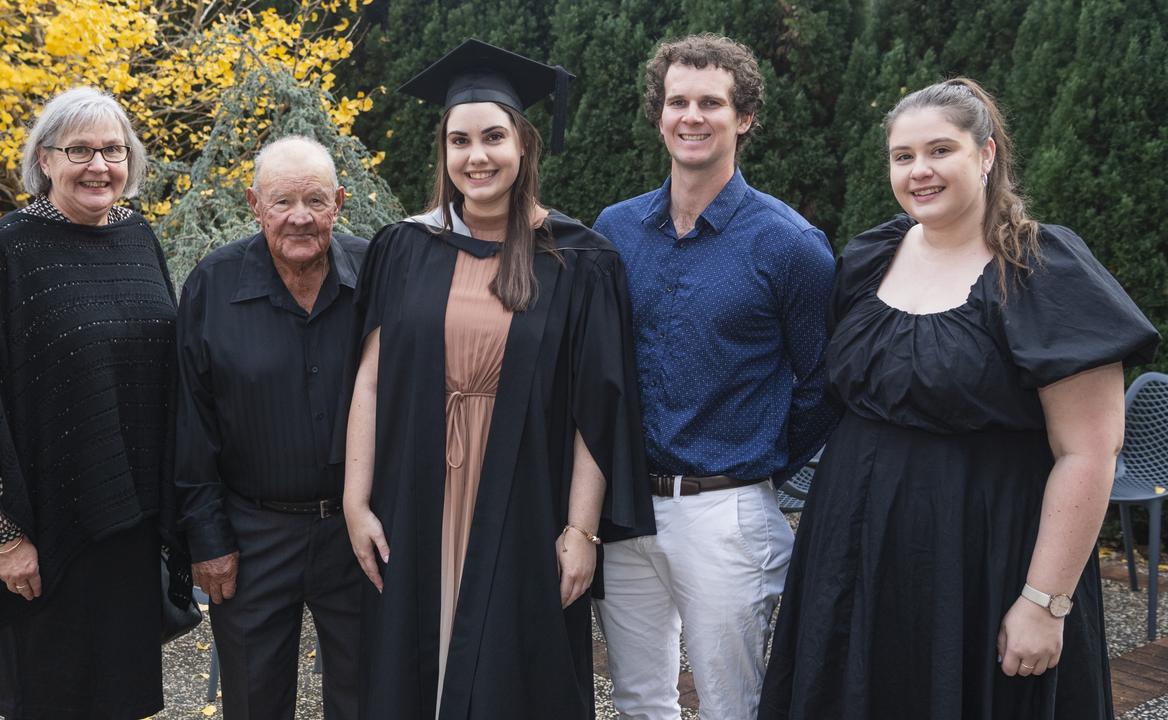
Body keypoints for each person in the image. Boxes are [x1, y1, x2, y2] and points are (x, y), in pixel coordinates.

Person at [758, 78, 1161, 720]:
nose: (920, 171)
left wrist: (1044, 601)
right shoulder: (868, 258)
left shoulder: (1042, 270)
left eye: (940, 150)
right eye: (903, 156)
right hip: (856, 549)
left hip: (985, 553)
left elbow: (1089, 451)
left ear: (987, 154)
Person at [343, 39, 655, 720]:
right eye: (460, 141)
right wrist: (355, 502)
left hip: (526, 497)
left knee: (515, 675)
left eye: (492, 137)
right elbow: (369, 378)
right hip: (415, 494)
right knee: (409, 669)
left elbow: (593, 410)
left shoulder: (579, 261)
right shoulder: (403, 248)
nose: (476, 156)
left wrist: (582, 531)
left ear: (523, 144)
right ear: (443, 151)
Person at [590, 34, 838, 720]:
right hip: (625, 509)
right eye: (677, 101)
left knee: (738, 706)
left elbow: (823, 383)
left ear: (744, 117)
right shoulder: (615, 231)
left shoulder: (790, 246)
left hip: (724, 510)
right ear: (658, 113)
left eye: (710, 102)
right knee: (641, 701)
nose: (691, 116)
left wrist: (757, 459)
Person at [0, 86, 189, 719]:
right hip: (43, 534)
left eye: (113, 150)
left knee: (123, 698)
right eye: (80, 150)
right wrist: (3, 536)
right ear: (44, 160)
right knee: (50, 698)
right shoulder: (8, 249)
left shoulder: (139, 239)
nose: (99, 165)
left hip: (131, 525)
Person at [174, 135, 367, 719]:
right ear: (255, 206)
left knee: (371, 699)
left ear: (339, 201)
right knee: (255, 700)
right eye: (283, 202)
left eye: (315, 200)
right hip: (252, 535)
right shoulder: (213, 284)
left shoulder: (378, 271)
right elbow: (191, 421)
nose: (300, 217)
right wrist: (207, 541)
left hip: (359, 532)